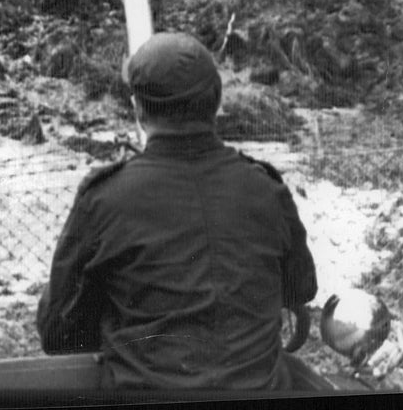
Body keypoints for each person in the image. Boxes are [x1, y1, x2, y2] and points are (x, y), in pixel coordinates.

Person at [37, 32, 318, 392]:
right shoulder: (265, 189)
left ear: (139, 111)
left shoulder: (104, 199)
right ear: (216, 102)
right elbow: (301, 288)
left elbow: (58, 333)